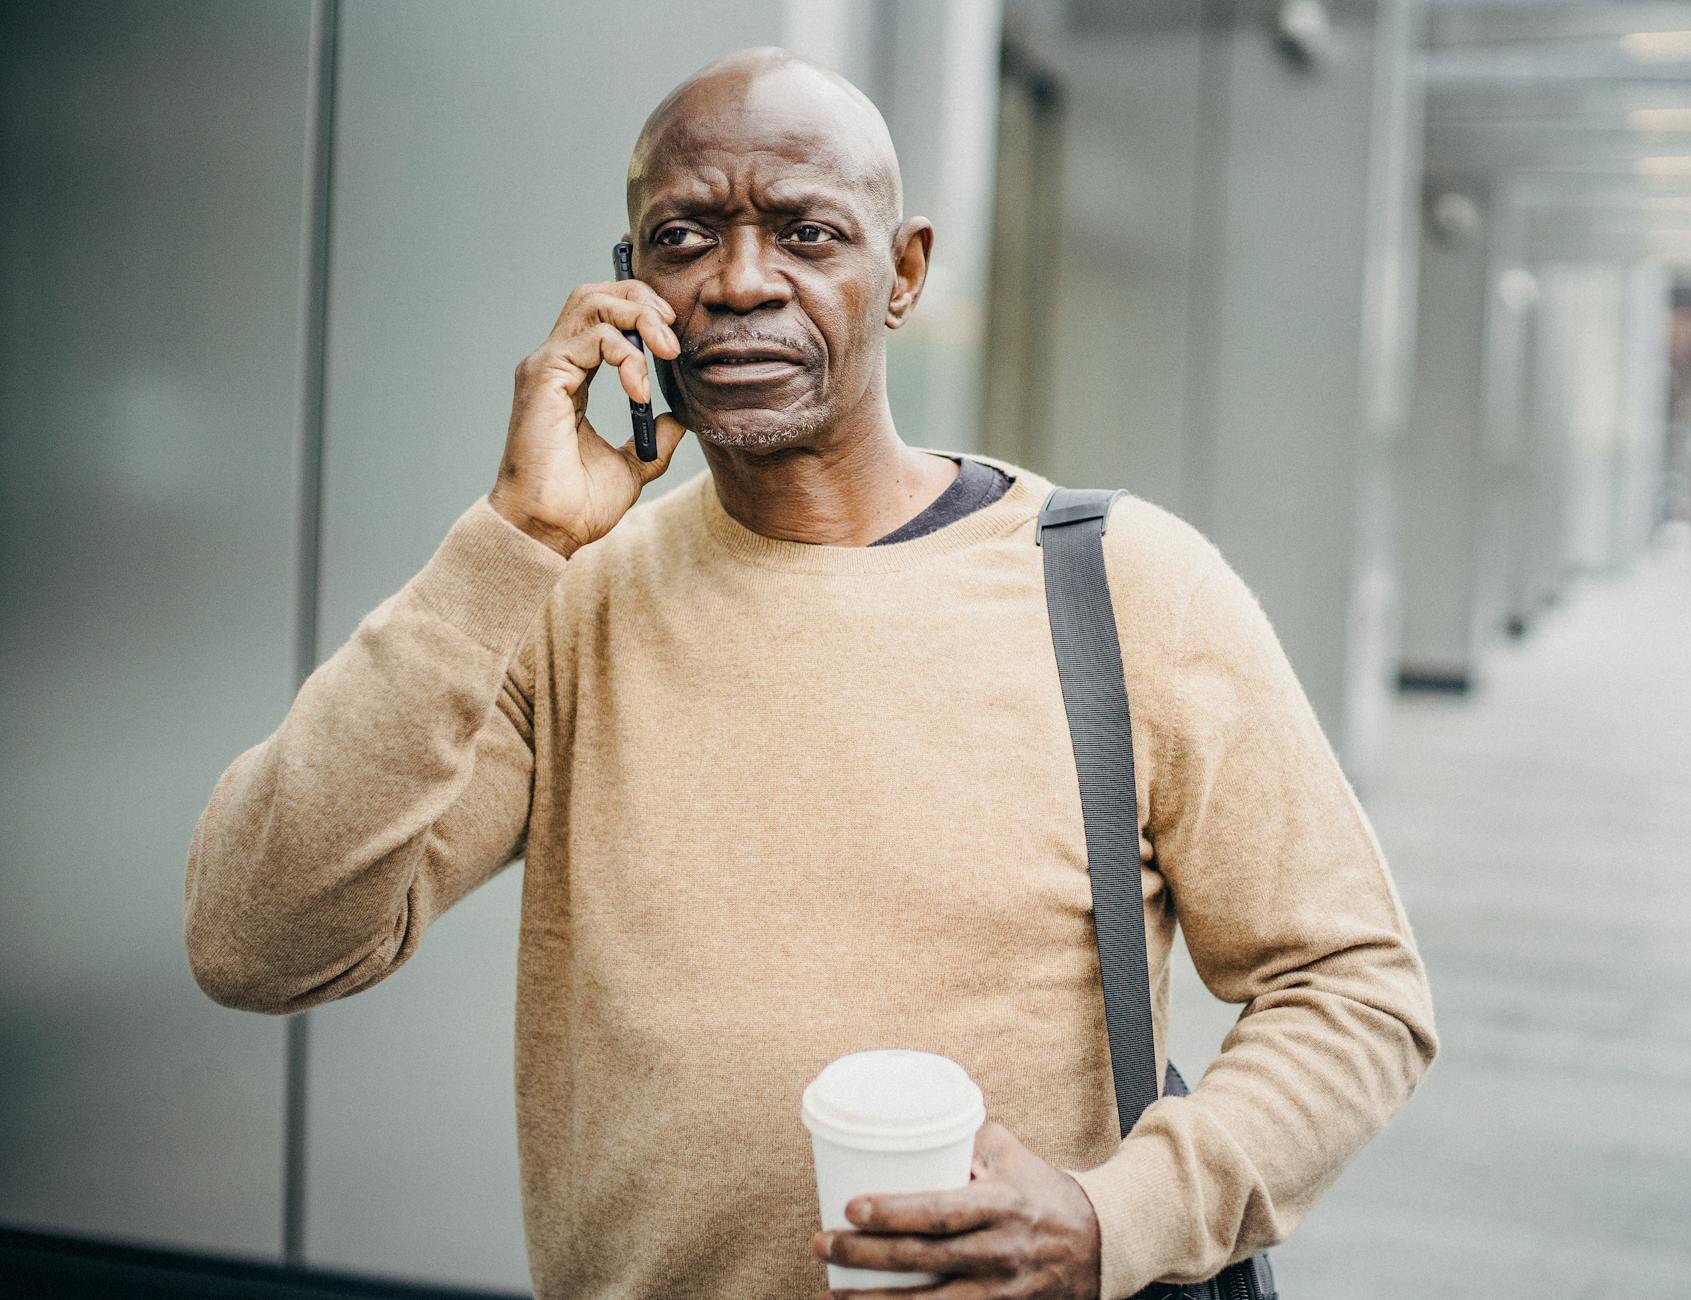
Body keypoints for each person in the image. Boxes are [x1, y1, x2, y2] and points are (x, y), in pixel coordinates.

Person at [184, 46, 1437, 1300]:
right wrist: (509, 540)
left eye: (806, 232)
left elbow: (1353, 986)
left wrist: (1120, 1220)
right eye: (684, 235)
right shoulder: (564, 603)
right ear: (632, 287)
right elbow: (257, 939)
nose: (738, 281)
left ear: (903, 272)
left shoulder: (1126, 587)